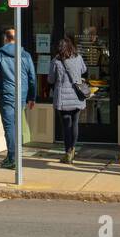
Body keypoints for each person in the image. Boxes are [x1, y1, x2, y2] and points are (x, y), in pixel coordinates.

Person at [0, 27, 36, 169]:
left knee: (9, 126)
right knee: (16, 125)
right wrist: (32, 97)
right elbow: (32, 78)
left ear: (5, 39)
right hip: (21, 95)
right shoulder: (25, 55)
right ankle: (12, 157)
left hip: (7, 94)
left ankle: (12, 158)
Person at [49, 35, 88, 164]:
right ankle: (72, 150)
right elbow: (84, 69)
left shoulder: (56, 61)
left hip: (63, 99)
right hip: (77, 96)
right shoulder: (78, 58)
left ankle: (68, 152)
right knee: (75, 123)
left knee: (66, 126)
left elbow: (51, 79)